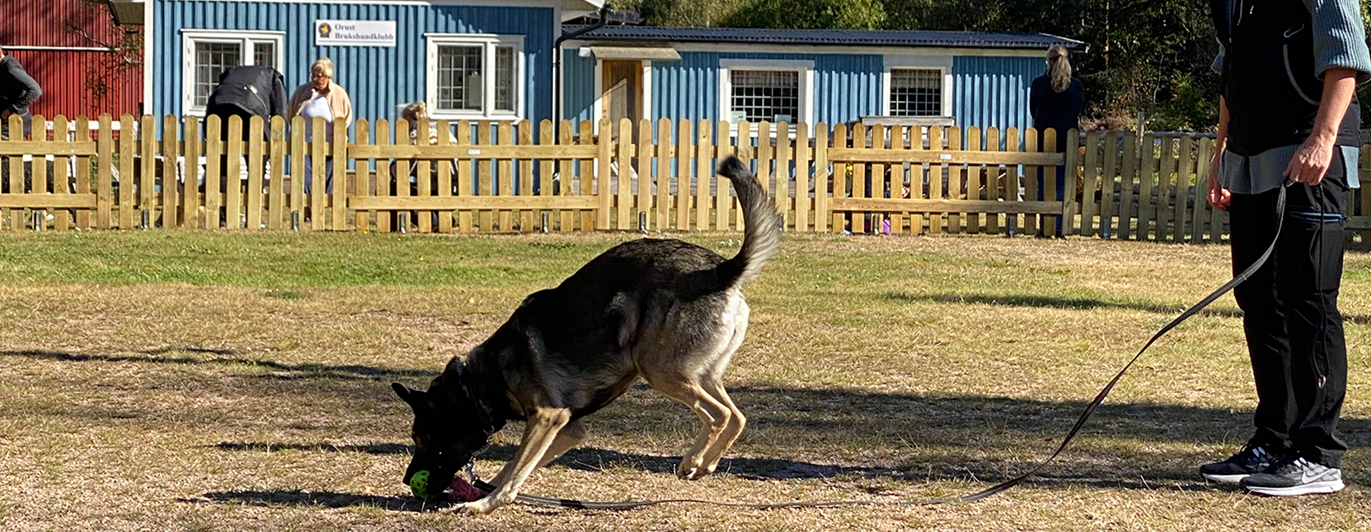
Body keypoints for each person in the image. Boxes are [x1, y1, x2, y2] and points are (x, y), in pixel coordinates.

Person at [1199, 0, 1370, 497]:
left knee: (1309, 301)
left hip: (1310, 156)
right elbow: (1231, 75)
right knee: (1259, 301)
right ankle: (1275, 439)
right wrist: (1221, 156)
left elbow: (1347, 58)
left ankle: (1318, 454)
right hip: (1250, 158)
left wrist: (1323, 140)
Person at [1028, 44, 1083, 235]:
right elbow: (1076, 112)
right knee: (1061, 185)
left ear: (1049, 61)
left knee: (1044, 184)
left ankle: (1045, 227)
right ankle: (1059, 227)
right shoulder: (1076, 86)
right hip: (1067, 140)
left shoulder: (1038, 84)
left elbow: (1033, 111)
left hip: (1044, 139)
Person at [288, 58, 352, 196]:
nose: (316, 79)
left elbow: (346, 117)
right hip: (303, 143)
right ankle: (306, 208)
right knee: (303, 177)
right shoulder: (301, 92)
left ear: (328, 76)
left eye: (320, 76)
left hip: (331, 144)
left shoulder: (339, 94)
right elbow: (291, 113)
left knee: (329, 178)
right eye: (313, 75)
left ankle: (324, 207)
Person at [0, 45, 42, 141]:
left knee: (9, 153)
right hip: (7, 122)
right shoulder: (3, 67)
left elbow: (35, 90)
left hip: (12, 122)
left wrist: (11, 109)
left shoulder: (11, 69)